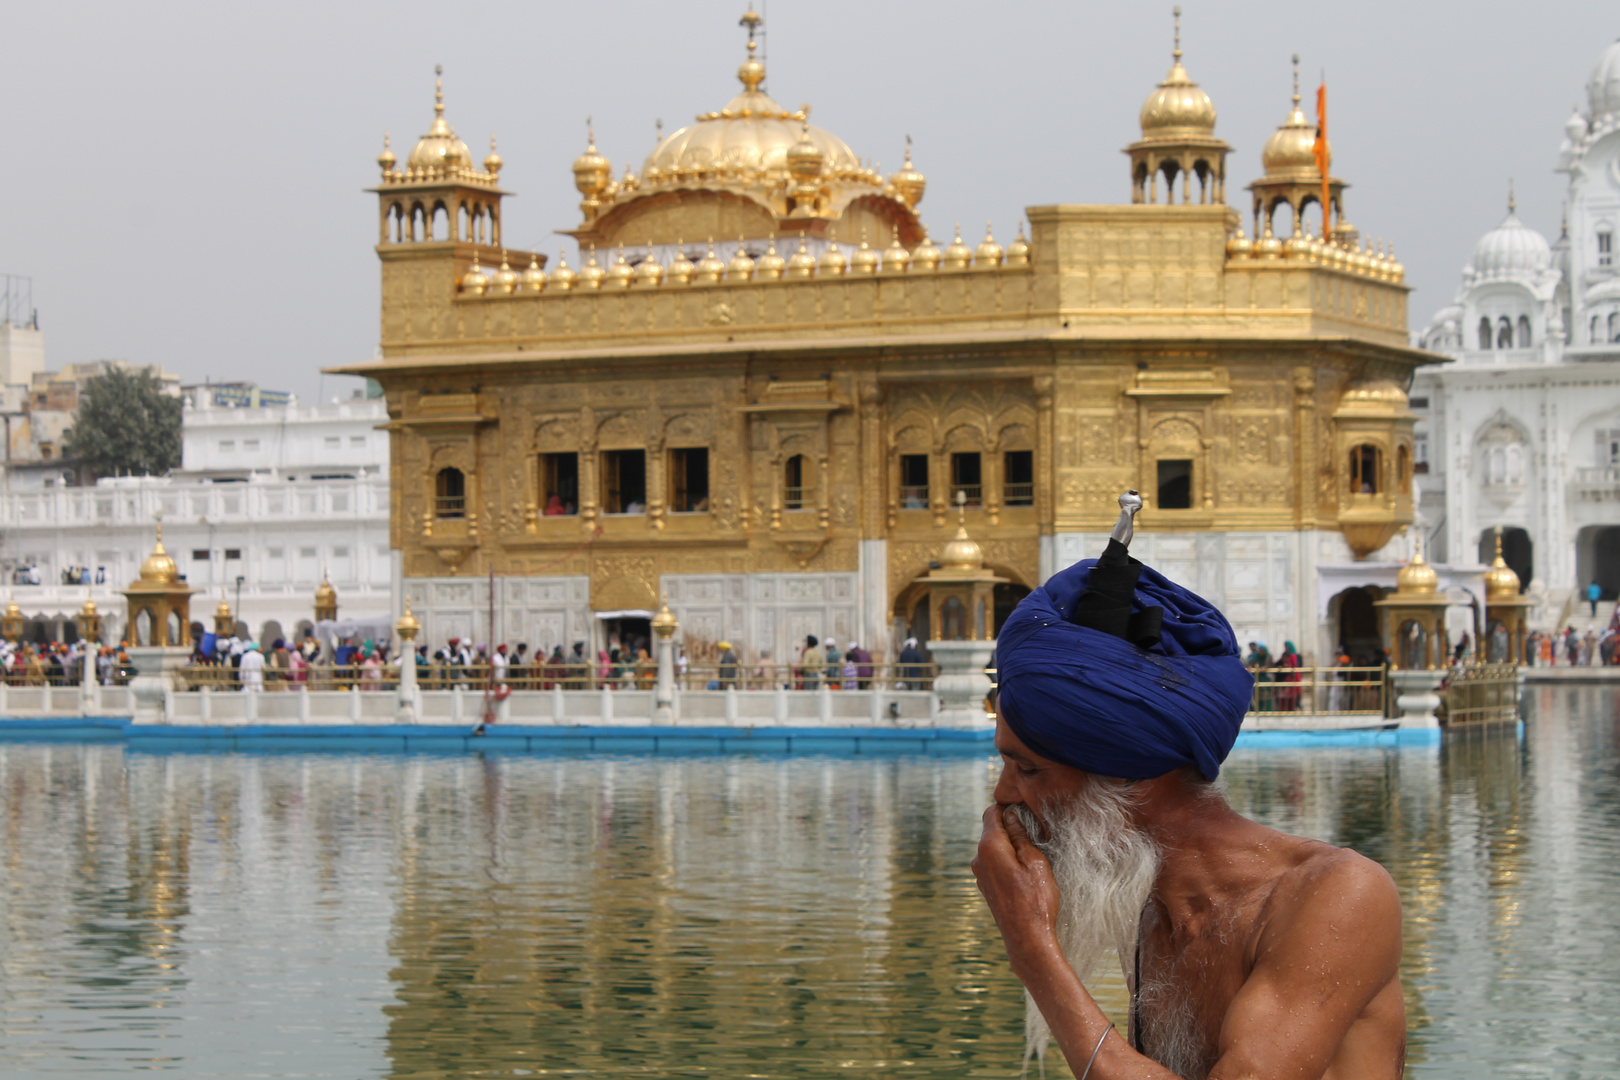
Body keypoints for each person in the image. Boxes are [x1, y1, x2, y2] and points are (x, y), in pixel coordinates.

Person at [975, 522, 1405, 1080]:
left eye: (1027, 769)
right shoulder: (1150, 910)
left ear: (1132, 779)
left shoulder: (1335, 896)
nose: (1003, 795)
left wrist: (1034, 950)